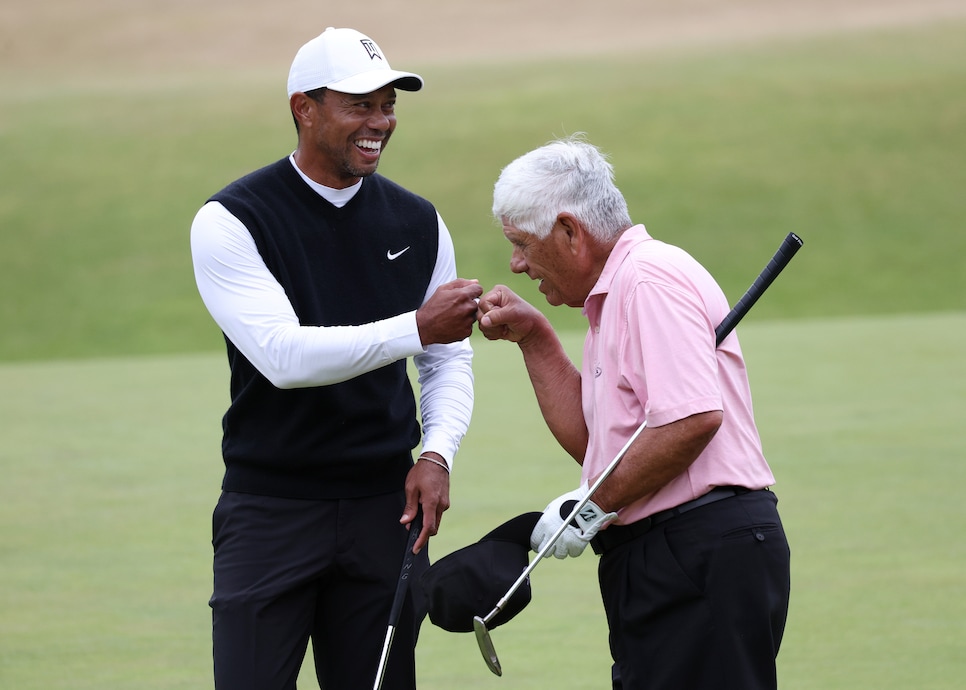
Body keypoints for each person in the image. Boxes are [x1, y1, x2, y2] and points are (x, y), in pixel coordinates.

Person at [189, 27, 482, 690]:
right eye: (359, 105)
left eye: (388, 105)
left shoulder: (418, 222)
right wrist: (416, 325)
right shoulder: (233, 219)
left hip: (387, 510)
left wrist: (436, 453)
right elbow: (283, 357)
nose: (379, 122)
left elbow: (446, 360)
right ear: (304, 108)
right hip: (271, 510)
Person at [476, 135, 790, 689]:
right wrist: (535, 338)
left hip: (698, 548)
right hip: (667, 553)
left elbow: (692, 419)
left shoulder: (646, 280)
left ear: (570, 231)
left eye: (522, 243)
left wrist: (591, 507)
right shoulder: (613, 292)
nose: (516, 263)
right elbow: (603, 447)